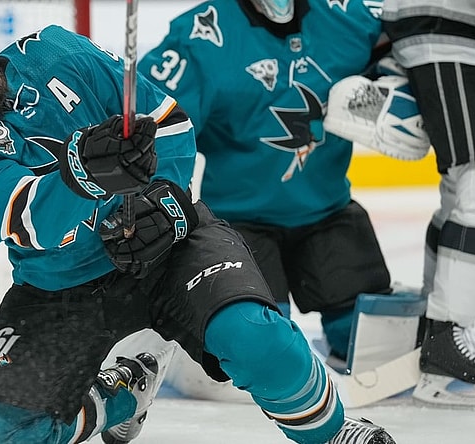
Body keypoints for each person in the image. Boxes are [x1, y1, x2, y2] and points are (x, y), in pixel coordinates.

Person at [0, 0, 395, 442]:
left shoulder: (55, 54)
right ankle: (121, 396)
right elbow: (29, 220)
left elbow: (169, 122)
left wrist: (168, 199)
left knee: (258, 338)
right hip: (62, 286)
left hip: (169, 249)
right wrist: (83, 173)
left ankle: (333, 434)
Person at [138, 0, 394, 367]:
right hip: (238, 226)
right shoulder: (200, 34)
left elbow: (408, 53)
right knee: (259, 347)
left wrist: (394, 89)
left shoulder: (350, 14)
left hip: (330, 213)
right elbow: (155, 127)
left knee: (374, 344)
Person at [381, 0, 475, 405]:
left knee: (463, 187)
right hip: (448, 25)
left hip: (449, 26)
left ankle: (436, 332)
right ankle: (446, 340)